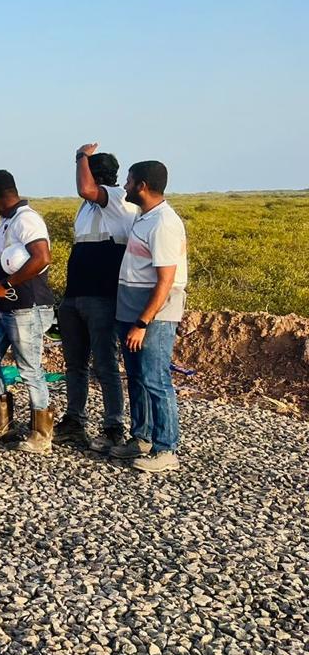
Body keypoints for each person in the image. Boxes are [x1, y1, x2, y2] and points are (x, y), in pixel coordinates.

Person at [54, 143, 138, 451]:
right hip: (75, 295)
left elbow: (86, 189)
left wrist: (81, 155)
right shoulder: (87, 207)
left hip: (102, 296)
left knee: (104, 364)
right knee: (74, 364)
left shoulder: (116, 198)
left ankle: (113, 426)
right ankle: (74, 421)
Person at [110, 160, 188, 473]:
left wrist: (143, 323)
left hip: (152, 315)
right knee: (138, 378)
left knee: (156, 379)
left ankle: (166, 449)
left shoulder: (164, 223)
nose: (125, 186)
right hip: (131, 308)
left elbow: (166, 281)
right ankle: (141, 437)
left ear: (141, 185)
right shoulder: (144, 217)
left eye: (129, 181)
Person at [0, 170, 56, 452]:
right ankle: (1, 423)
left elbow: (42, 257)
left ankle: (41, 434)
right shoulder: (5, 222)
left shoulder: (26, 220)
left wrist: (6, 284)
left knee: (30, 369)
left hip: (25, 307)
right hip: (1, 305)